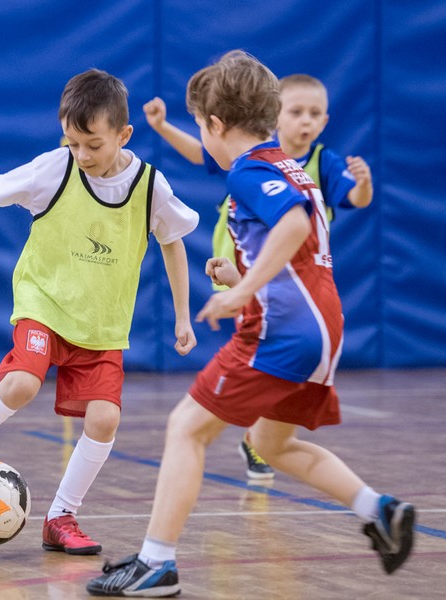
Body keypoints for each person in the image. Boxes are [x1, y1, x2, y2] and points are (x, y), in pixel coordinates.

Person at [88, 50, 414, 597]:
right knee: (271, 443)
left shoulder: (249, 170)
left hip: (282, 330)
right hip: (324, 326)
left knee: (186, 428)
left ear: (215, 125)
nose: (202, 136)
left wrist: (241, 291)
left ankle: (155, 564)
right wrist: (240, 273)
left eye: (199, 125)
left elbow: (293, 224)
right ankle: (378, 510)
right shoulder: (289, 165)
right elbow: (297, 253)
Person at [0, 69, 199, 555]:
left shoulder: (149, 186)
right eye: (73, 143)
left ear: (124, 135)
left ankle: (61, 517)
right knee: (21, 383)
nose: (82, 155)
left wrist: (182, 316)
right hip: (45, 303)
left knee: (105, 419)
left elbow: (174, 242)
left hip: (101, 323)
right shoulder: (56, 169)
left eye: (93, 145)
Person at [142, 73, 373, 481]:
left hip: (286, 290)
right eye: (296, 111)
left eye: (314, 113)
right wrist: (162, 127)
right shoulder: (257, 161)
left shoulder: (301, 165)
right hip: (269, 281)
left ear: (325, 121)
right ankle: (364, 500)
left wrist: (364, 184)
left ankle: (254, 438)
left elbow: (329, 209)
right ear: (275, 116)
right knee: (263, 412)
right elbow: (203, 153)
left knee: (191, 423)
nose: (305, 120)